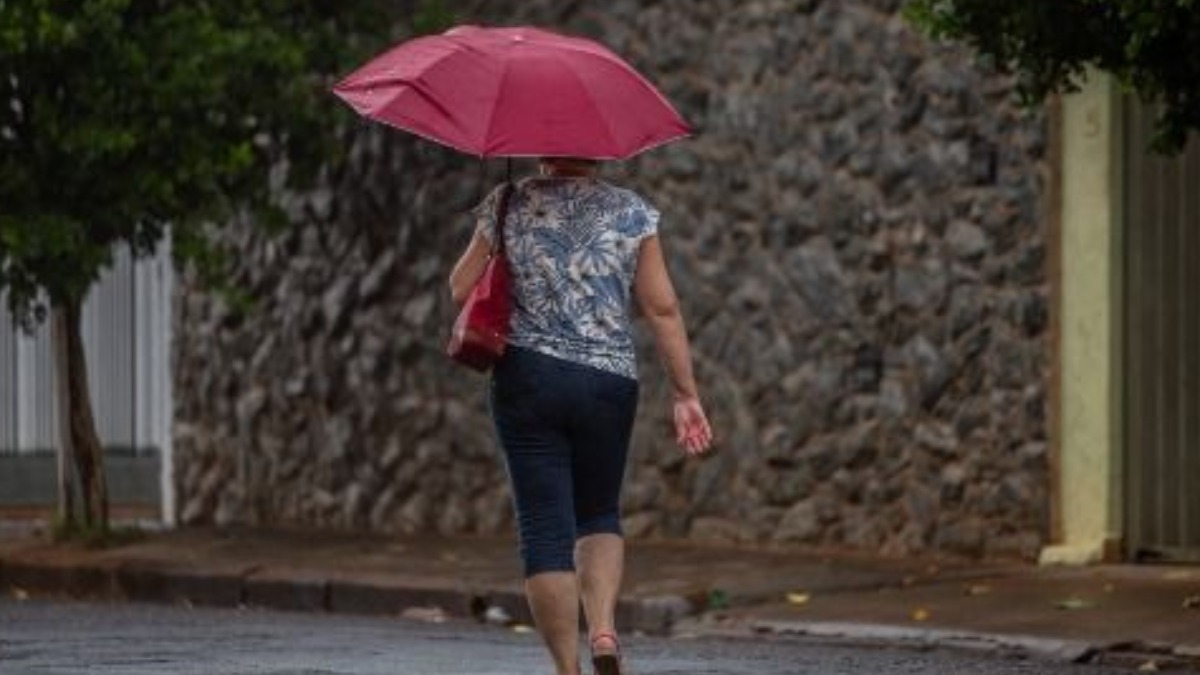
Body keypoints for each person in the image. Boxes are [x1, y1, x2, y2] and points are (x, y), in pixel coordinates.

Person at [449, 156, 713, 675]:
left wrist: (501, 235)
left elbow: (461, 287)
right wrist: (686, 393)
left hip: (528, 377)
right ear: (600, 152)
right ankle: (606, 631)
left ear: (542, 150)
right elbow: (662, 309)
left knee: (546, 528)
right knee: (598, 512)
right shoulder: (634, 212)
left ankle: (568, 669)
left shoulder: (506, 202)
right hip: (608, 382)